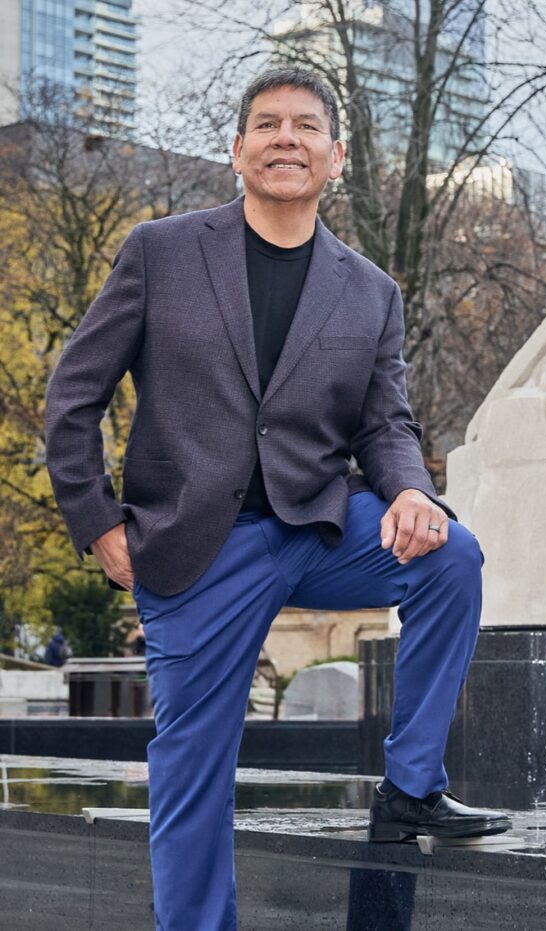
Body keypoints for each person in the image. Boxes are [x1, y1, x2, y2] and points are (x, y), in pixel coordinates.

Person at [44, 67, 510, 930]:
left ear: (336, 158)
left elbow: (386, 424)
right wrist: (97, 523)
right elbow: (74, 396)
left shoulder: (371, 291)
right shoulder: (161, 251)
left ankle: (411, 788)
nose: (284, 137)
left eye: (304, 126)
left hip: (317, 526)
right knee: (192, 768)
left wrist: (410, 491)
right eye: (266, 124)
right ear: (238, 151)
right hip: (194, 544)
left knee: (453, 555)